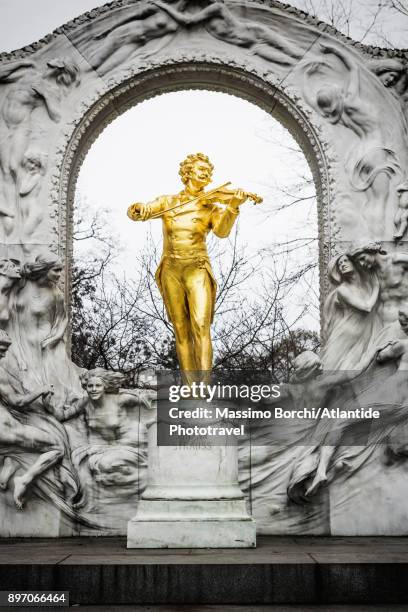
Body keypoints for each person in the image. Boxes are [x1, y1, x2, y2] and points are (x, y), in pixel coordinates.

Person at [127, 152, 261, 384]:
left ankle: (205, 385)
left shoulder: (211, 206)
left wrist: (233, 207)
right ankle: (191, 386)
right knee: (180, 328)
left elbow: (221, 232)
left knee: (200, 325)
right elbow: (142, 212)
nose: (207, 173)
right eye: (201, 169)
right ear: (188, 173)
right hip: (171, 268)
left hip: (197, 267)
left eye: (208, 172)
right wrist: (137, 208)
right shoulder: (167, 202)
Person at [0, 329, 62, 509]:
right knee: (56, 446)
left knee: (20, 445)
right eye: (1, 350)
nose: (4, 355)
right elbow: (17, 402)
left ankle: (7, 472)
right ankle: (23, 480)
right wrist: (41, 390)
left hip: (8, 430)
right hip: (5, 430)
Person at [9, 252, 82, 401]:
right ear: (44, 268)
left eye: (61, 270)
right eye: (56, 270)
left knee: (52, 389)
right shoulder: (21, 285)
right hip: (21, 343)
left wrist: (54, 339)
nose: (60, 274)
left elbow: (63, 320)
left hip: (45, 346)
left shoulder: (56, 294)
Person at [153, 0, 302, 65]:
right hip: (253, 47)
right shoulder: (204, 15)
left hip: (256, 33)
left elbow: (188, 22)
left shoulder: (216, 8)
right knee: (287, 62)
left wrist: (163, 6)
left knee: (295, 54)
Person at [60, 368, 154, 446]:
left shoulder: (120, 399)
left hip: (130, 440)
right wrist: (47, 404)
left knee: (105, 464)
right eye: (90, 386)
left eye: (98, 386)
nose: (94, 389)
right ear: (86, 387)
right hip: (103, 447)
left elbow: (147, 399)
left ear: (105, 387)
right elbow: (63, 416)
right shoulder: (84, 403)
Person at [320, 253, 381, 370]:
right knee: (332, 370)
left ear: (354, 263)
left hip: (362, 335)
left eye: (345, 261)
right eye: (339, 264)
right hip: (345, 334)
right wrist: (377, 287)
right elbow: (367, 308)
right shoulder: (342, 290)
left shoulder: (366, 286)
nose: (342, 265)